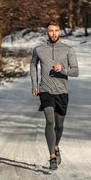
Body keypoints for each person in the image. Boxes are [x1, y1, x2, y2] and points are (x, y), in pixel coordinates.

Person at [30, 20, 79, 170]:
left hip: (62, 92)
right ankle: (52, 156)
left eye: (56, 30)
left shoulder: (68, 49)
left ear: (60, 32)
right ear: (47, 32)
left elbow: (75, 71)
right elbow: (33, 64)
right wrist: (34, 84)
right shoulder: (39, 49)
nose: (53, 33)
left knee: (59, 125)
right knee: (50, 122)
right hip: (45, 90)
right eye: (51, 31)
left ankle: (56, 146)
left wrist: (62, 69)